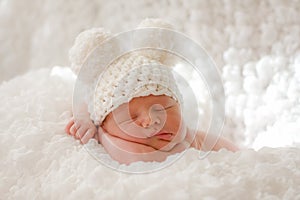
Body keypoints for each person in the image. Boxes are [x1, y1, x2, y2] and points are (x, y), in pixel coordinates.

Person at [65, 19, 239, 165]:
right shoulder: (107, 139)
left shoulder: (192, 139)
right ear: (104, 125)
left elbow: (240, 157)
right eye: (132, 116)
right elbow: (86, 103)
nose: (153, 120)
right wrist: (84, 120)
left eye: (163, 109)